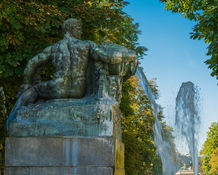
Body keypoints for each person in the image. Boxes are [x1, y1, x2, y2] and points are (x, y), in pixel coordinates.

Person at [7, 18, 136, 128]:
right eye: (79, 28)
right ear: (71, 29)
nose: (81, 31)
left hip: (56, 88)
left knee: (32, 91)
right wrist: (130, 55)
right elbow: (109, 58)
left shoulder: (54, 48)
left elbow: (32, 64)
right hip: (78, 90)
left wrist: (26, 84)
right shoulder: (87, 45)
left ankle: (13, 121)